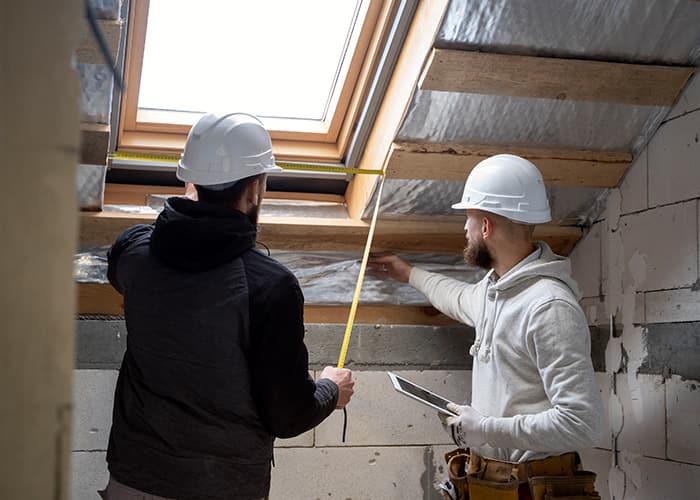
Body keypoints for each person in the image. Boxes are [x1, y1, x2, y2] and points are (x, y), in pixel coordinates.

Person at [102, 112, 354, 500]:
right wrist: (330, 391)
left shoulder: (134, 254)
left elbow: (134, 259)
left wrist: (185, 218)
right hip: (220, 487)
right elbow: (288, 415)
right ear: (255, 188)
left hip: (131, 481)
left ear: (190, 182)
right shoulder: (271, 287)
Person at [368, 154, 603, 500]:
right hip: (495, 483)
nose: (465, 229)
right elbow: (457, 297)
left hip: (535, 488)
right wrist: (408, 274)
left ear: (486, 227)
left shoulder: (549, 307)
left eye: (469, 219)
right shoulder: (495, 290)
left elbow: (581, 424)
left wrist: (487, 428)